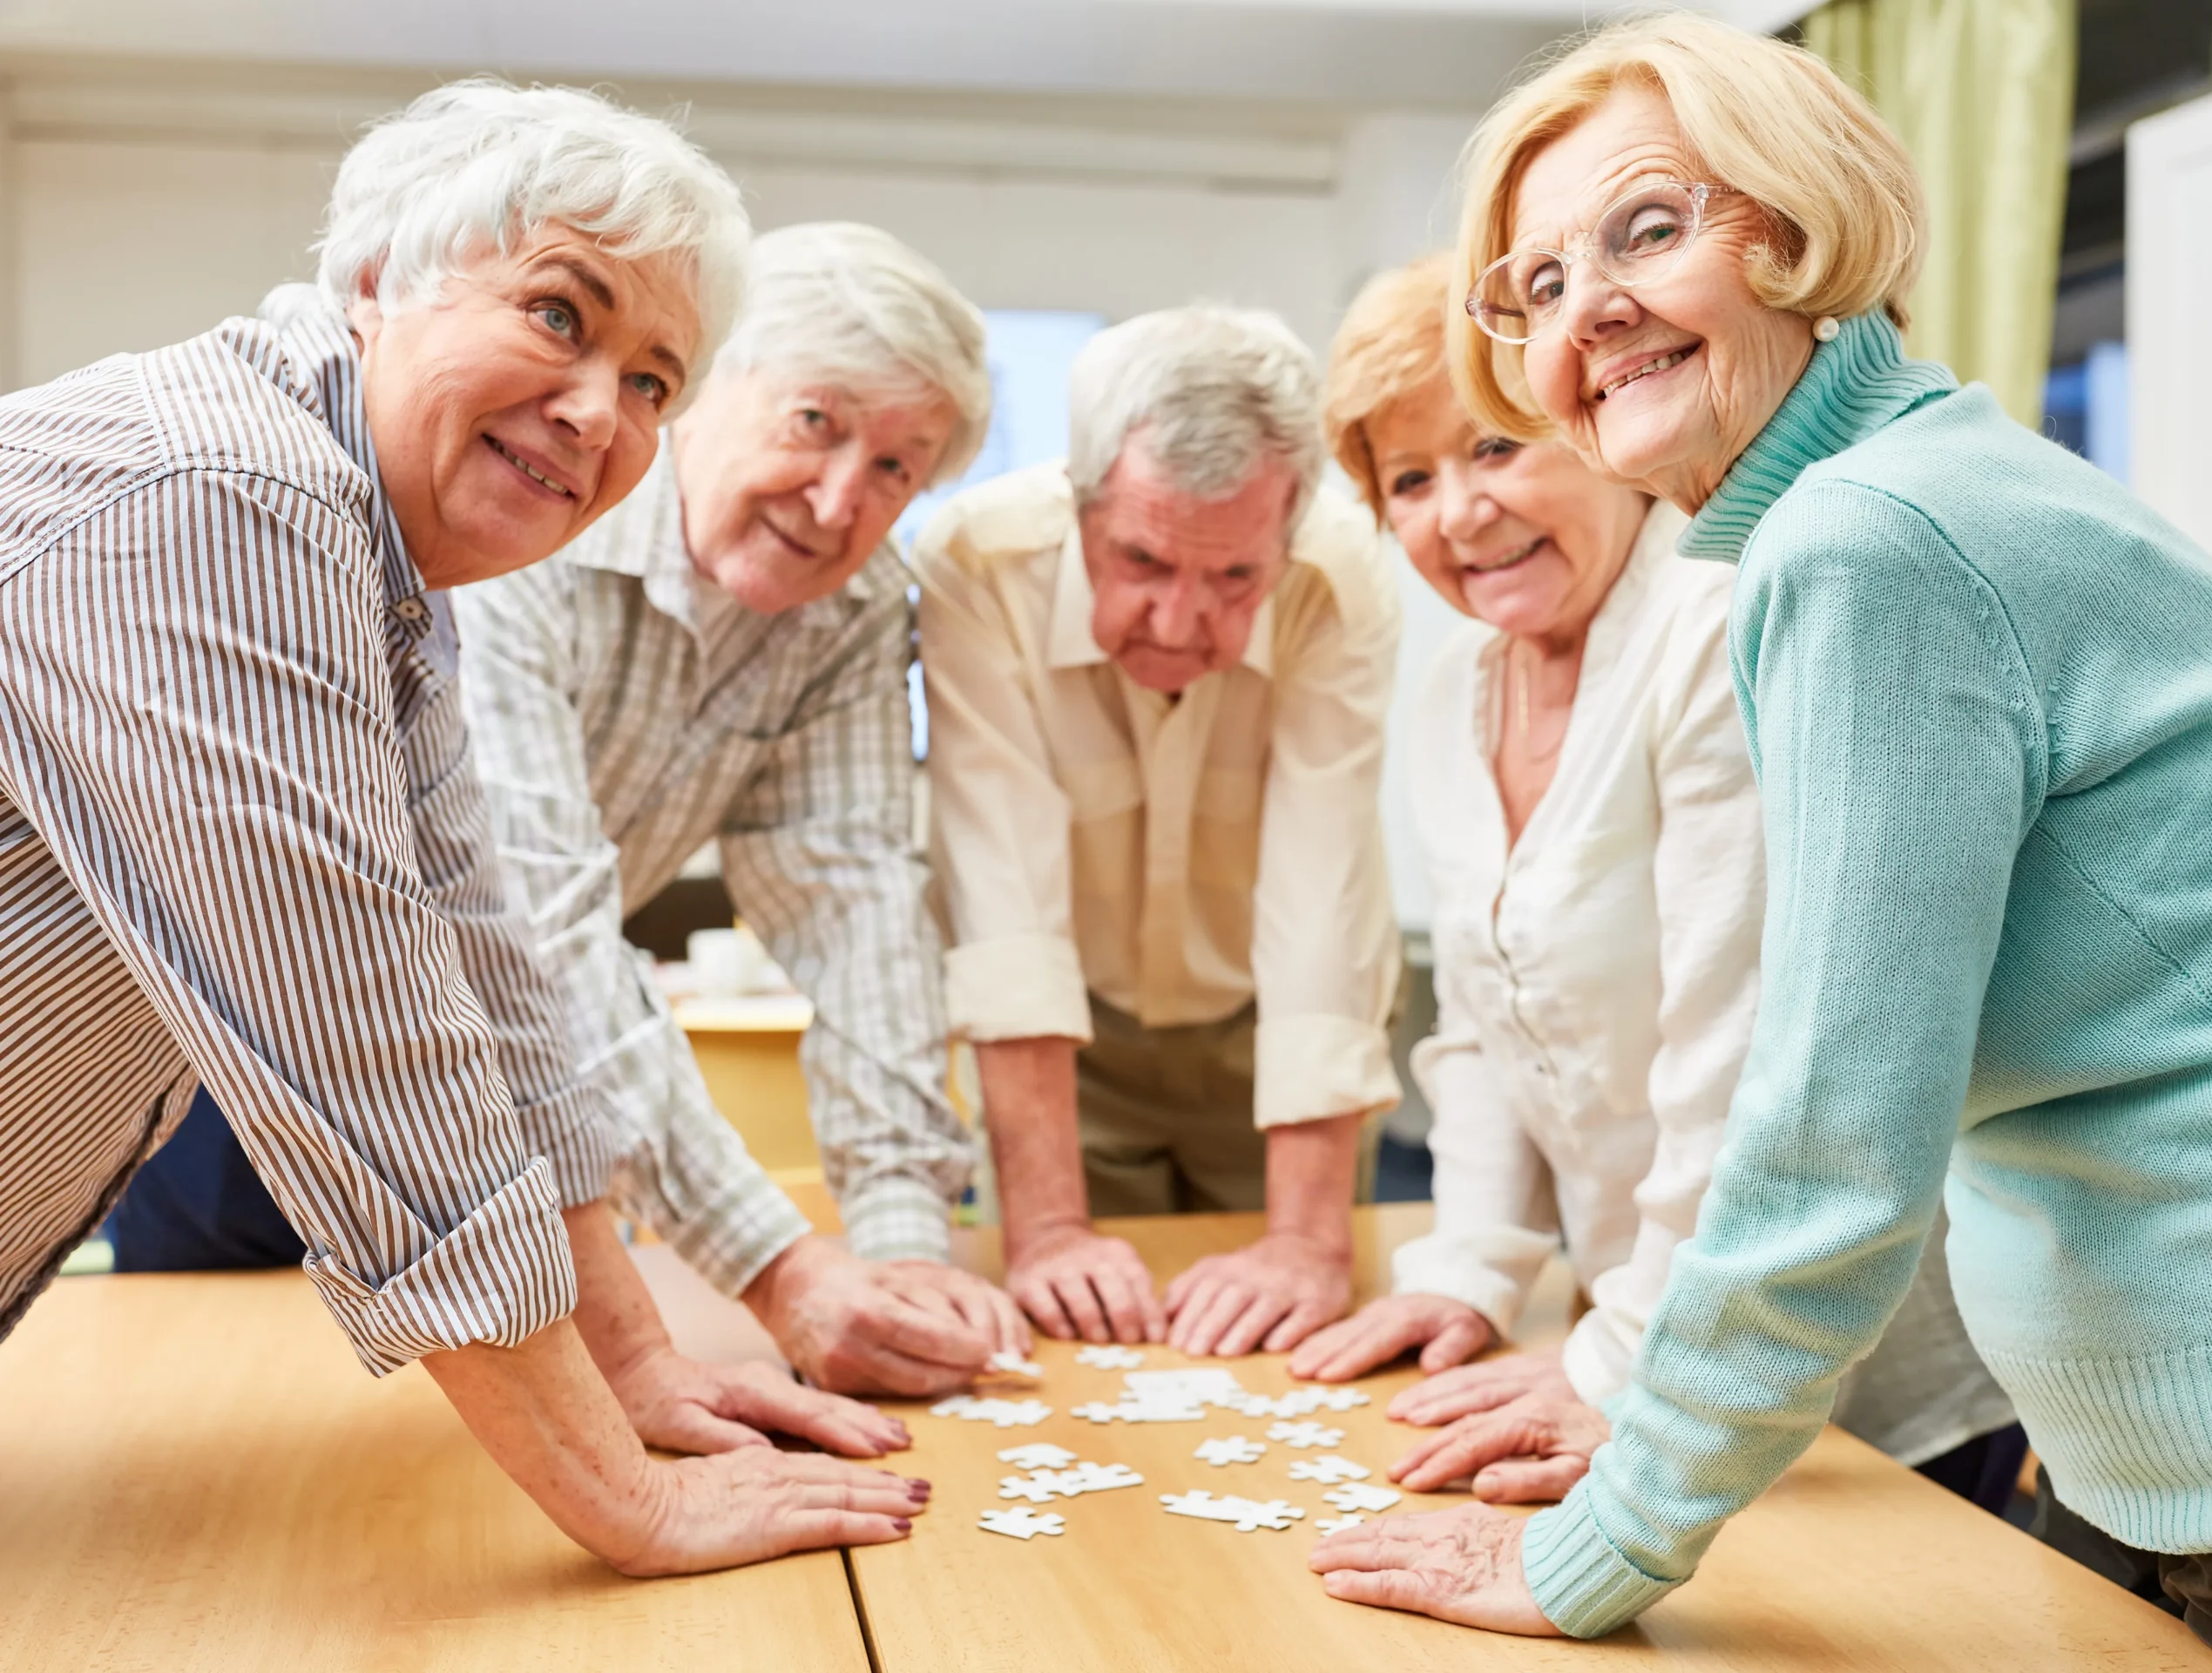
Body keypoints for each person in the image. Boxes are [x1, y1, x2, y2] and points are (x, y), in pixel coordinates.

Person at [1309, 15, 2212, 1655]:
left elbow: (1829, 1135)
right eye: (1531, 287)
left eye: (1648, 230)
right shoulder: (1918, 482)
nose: (1583, 311)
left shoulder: (1865, 540)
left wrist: (1609, 1539)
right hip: (2144, 1439)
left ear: (1802, 231)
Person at [0, 80, 923, 1577]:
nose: (597, 413)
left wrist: (638, 1377)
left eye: (652, 383)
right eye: (561, 315)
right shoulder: (229, 488)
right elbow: (364, 1036)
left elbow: (493, 982)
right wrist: (629, 1499)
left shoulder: (382, 566)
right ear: (377, 280)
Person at [110, 222, 1032, 1397]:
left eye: (898, 469)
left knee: (504, 1455)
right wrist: (776, 1269)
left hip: (515, 1109)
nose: (842, 498)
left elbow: (856, 906)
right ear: (707, 389)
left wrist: (902, 1246)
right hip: (258, 1061)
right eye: (817, 423)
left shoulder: (852, 608)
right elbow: (542, 919)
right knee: (227, 1442)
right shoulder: (534, 525)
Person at [1289, 251, 2018, 1510]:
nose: (1459, 513)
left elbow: (1740, 1057)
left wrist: (1630, 1358)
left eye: (1496, 448)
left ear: (1598, 430)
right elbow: (1482, 1033)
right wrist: (1467, 1269)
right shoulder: (1455, 694)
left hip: (1829, 1358)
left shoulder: (1718, 617)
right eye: (1410, 480)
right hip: (1633, 1334)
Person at [917, 305, 1404, 1358]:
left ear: (1287, 530)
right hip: (1069, 1051)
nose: (1183, 623)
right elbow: (1003, 897)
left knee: (1294, 1346)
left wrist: (1308, 1242)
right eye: (1141, 560)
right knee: (1086, 1348)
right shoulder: (978, 563)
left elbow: (1323, 895)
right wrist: (1045, 1232)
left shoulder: (1341, 571)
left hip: (1275, 1045)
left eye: (1235, 578)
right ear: (1080, 499)